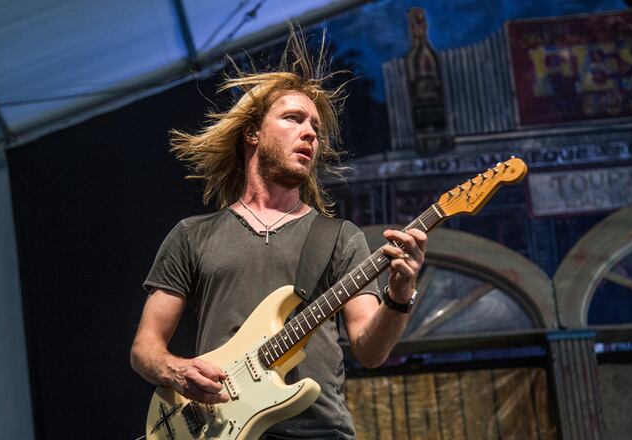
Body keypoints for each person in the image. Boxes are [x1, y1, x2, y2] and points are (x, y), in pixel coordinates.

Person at [130, 29, 427, 439]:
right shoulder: (191, 236)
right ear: (252, 133)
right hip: (220, 429)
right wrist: (178, 370)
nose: (310, 134)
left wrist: (399, 296)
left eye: (316, 128)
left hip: (320, 432)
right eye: (293, 118)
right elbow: (145, 348)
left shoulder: (341, 237)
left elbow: (369, 350)